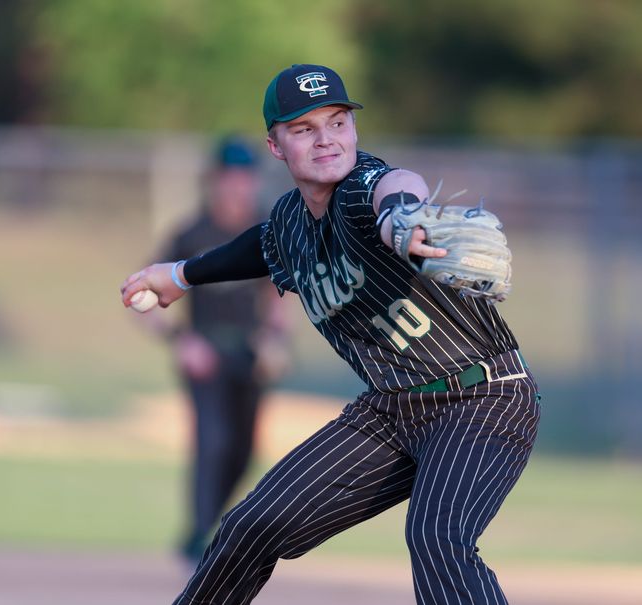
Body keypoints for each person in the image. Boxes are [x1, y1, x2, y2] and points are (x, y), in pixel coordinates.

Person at [121, 64, 541, 604]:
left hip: (482, 396)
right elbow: (258, 247)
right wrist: (180, 275)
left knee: (437, 538)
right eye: (304, 129)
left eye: (338, 122)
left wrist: (403, 217)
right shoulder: (290, 224)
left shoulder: (360, 192)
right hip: (390, 411)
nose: (327, 140)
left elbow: (393, 186)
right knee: (249, 528)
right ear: (275, 145)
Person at [142, 135, 290, 564]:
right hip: (204, 356)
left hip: (250, 355)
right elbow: (148, 297)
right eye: (228, 178)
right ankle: (198, 540)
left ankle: (207, 527)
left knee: (244, 449)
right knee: (213, 442)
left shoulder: (266, 229)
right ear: (214, 181)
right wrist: (179, 341)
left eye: (244, 178)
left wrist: (275, 340)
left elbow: (280, 295)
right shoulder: (192, 234)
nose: (236, 187)